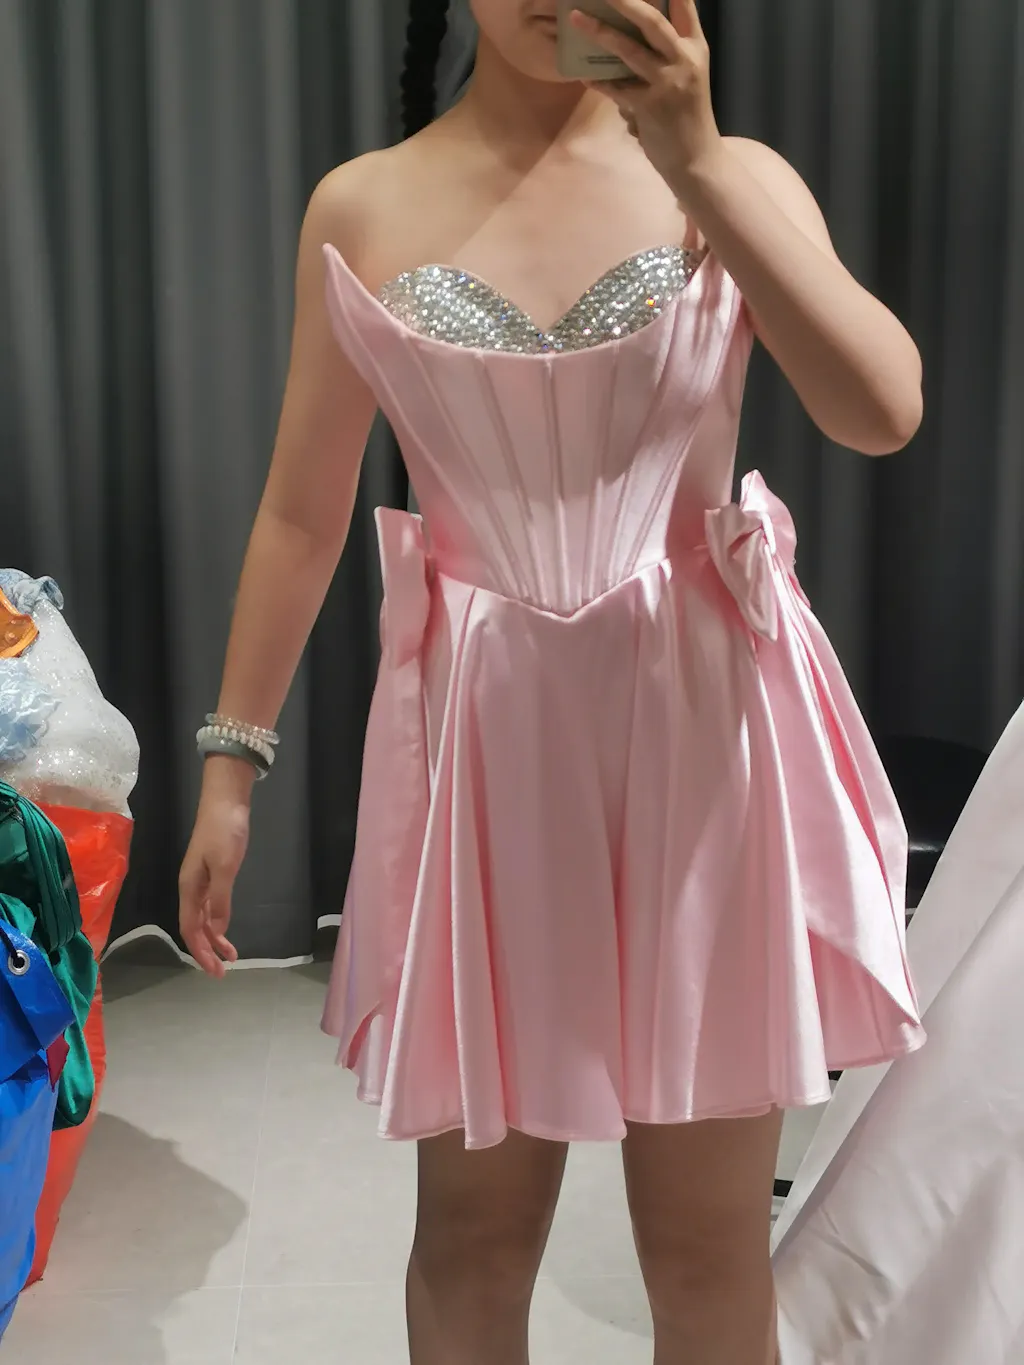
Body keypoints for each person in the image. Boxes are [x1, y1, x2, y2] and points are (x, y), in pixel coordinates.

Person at [178, 2, 926, 1362]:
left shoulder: (732, 180)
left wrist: (700, 164)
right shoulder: (366, 203)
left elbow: (879, 411)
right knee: (472, 1239)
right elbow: (300, 513)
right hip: (492, 756)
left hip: (709, 749)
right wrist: (233, 766)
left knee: (705, 1250)